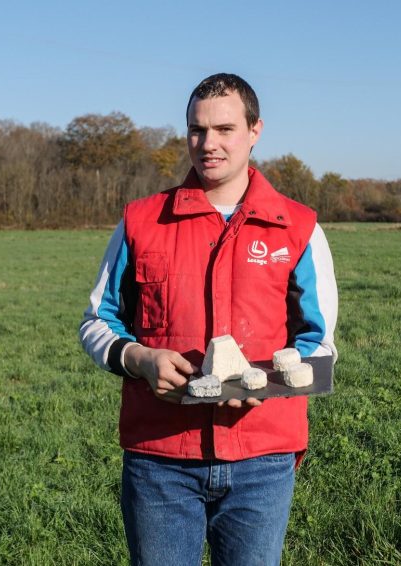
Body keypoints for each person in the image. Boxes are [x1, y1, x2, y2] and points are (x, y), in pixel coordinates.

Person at [79, 73, 338, 565]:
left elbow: (319, 341)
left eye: (224, 129)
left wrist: (265, 384)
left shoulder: (298, 227)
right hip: (160, 460)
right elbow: (97, 321)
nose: (208, 144)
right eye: (197, 130)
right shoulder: (141, 221)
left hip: (262, 460)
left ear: (255, 130)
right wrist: (138, 358)